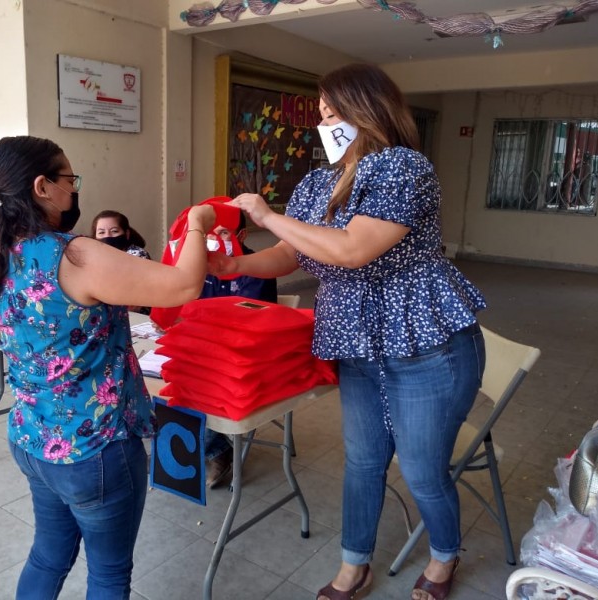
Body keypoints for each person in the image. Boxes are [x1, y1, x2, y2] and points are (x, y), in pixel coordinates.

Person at [208, 63, 487, 600]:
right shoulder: (318, 182)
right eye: (321, 113)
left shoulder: (403, 168)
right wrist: (234, 265)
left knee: (424, 471)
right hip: (358, 345)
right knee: (362, 461)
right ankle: (353, 563)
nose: (325, 121)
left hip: (426, 345)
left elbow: (351, 250)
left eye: (334, 111)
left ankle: (444, 556)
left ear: (370, 109)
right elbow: (293, 252)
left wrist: (266, 214)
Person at [0, 135, 214, 600]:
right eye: (69, 178)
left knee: (47, 555)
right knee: (107, 574)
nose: (75, 188)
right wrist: (200, 223)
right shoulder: (75, 255)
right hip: (94, 449)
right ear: (43, 187)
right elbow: (184, 285)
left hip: (32, 438)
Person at [200, 211, 278, 488]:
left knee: (201, 386)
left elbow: (246, 322)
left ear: (241, 236)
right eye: (212, 234)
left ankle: (217, 450)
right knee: (166, 379)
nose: (216, 240)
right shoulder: (204, 266)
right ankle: (199, 444)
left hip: (249, 355)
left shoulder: (257, 268)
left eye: (224, 233)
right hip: (209, 349)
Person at [91, 210, 152, 315]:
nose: (107, 236)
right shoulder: (93, 256)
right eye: (101, 232)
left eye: (114, 231)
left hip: (135, 316)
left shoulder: (137, 255)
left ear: (126, 233)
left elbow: (133, 301)